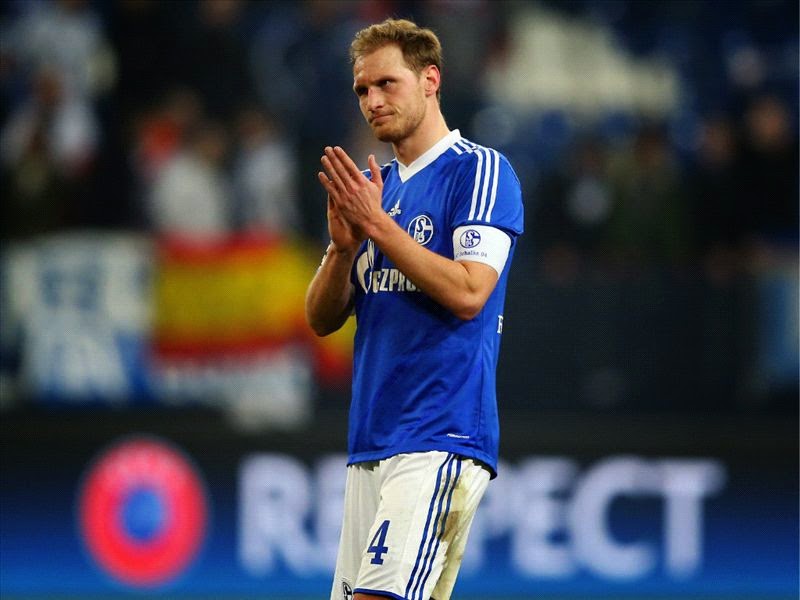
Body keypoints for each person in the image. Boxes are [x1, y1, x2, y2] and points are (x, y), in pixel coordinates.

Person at [304, 19, 523, 600]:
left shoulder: (479, 171)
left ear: (430, 80)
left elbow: (470, 292)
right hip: (371, 441)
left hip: (439, 433)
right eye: (362, 90)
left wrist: (377, 226)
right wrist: (343, 250)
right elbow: (321, 319)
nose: (372, 101)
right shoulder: (375, 190)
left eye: (387, 83)